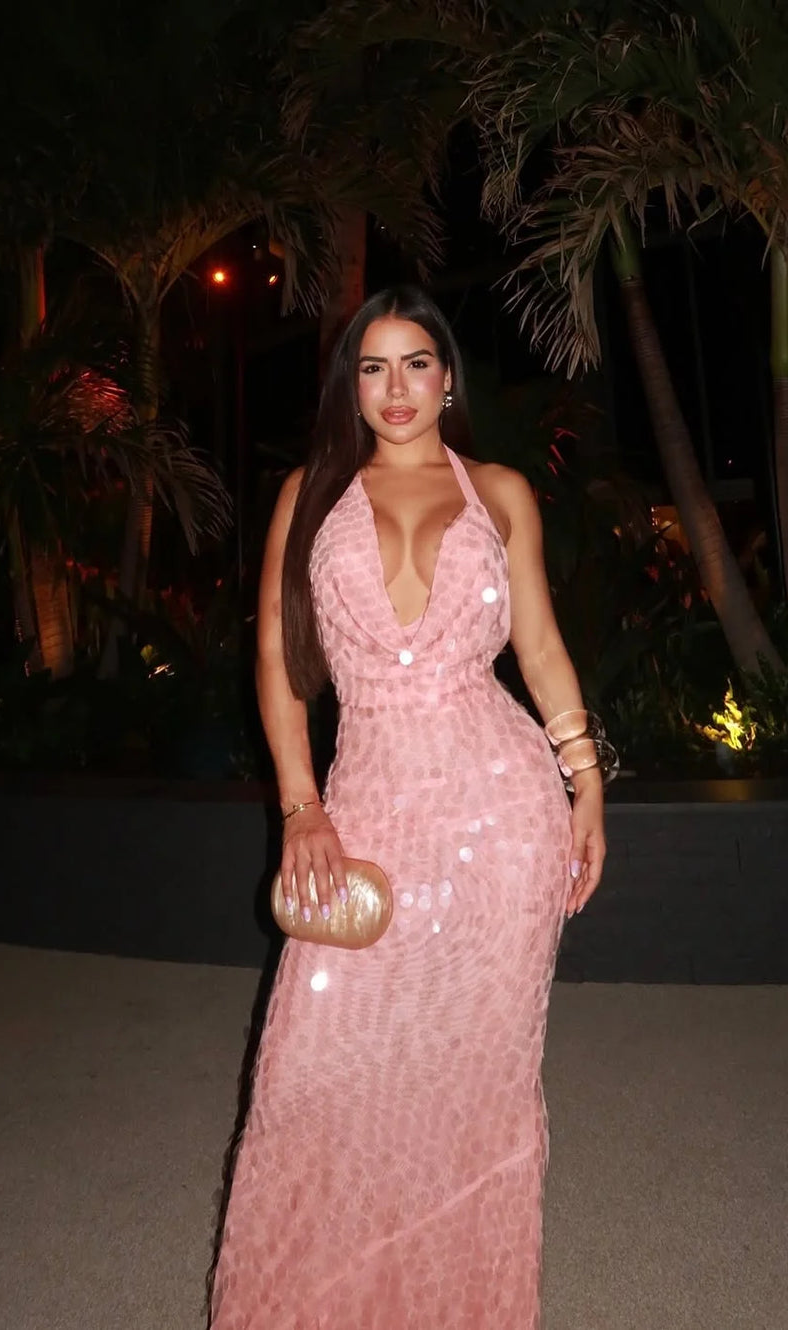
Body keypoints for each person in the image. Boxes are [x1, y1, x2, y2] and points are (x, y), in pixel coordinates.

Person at [210, 286, 607, 1329]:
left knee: (476, 1080)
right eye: (373, 367)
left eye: (416, 363)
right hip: (367, 809)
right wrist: (300, 806)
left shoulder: (501, 493)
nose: (396, 388)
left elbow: (541, 649)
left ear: (447, 377)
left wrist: (586, 778)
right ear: (351, 384)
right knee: (313, 1072)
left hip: (501, 816)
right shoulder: (309, 494)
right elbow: (273, 660)